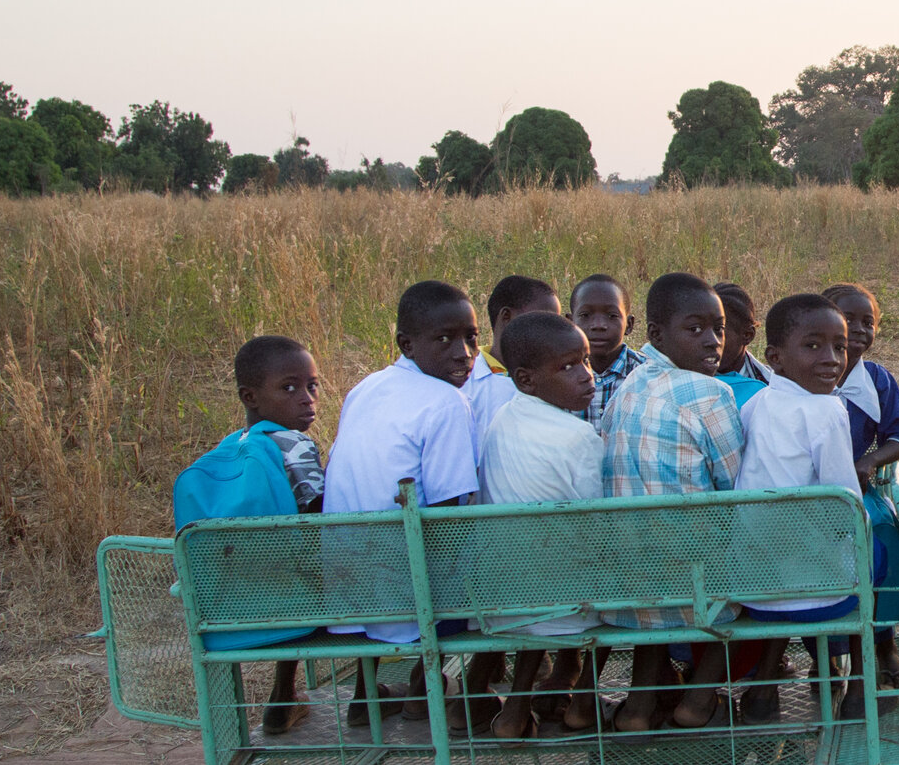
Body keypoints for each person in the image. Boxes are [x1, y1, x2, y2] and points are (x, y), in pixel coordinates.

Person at [322, 280, 482, 730]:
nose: (463, 352)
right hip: (404, 585)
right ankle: (423, 688)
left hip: (347, 584)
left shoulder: (367, 386)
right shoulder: (447, 402)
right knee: (490, 555)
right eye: (444, 339)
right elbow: (450, 513)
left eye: (471, 337)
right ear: (406, 344)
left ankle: (366, 693)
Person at [596, 271, 746, 729]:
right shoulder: (711, 393)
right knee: (762, 564)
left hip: (624, 577)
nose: (713, 341)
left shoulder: (627, 387)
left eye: (719, 329)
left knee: (659, 546)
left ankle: (640, 704)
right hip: (694, 579)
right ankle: (699, 699)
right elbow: (737, 489)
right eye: (695, 328)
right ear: (657, 334)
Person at [172, 335, 326, 735]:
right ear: (250, 396)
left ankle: (285, 696)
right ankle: (367, 696)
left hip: (230, 610)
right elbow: (323, 522)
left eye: (313, 386)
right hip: (296, 608)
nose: (307, 399)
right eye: (289, 388)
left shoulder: (230, 446)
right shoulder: (295, 446)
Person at [731, 292, 868, 721]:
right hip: (816, 592)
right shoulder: (826, 409)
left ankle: (766, 682)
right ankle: (864, 681)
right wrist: (860, 526)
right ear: (775, 356)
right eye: (813, 346)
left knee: (791, 551)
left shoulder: (756, 402)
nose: (831, 358)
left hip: (754, 588)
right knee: (877, 550)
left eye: (839, 347)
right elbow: (844, 504)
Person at [476, 311, 607, 737]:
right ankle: (585, 698)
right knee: (619, 586)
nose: (586, 376)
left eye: (586, 361)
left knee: (542, 569)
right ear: (526, 380)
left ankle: (515, 708)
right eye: (568, 367)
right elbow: (596, 524)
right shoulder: (579, 438)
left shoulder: (501, 421)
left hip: (505, 602)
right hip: (565, 607)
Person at [824, 281, 899, 690]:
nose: (859, 329)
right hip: (812, 492)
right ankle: (827, 653)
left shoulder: (877, 380)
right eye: (848, 319)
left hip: (859, 488)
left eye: (869, 321)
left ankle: (883, 641)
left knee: (885, 537)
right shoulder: (805, 372)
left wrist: (870, 460)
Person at [467, 274, 560, 448]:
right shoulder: (467, 380)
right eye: (542, 321)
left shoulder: (554, 378)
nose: (550, 331)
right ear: (506, 316)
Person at [569, 274, 646, 423]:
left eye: (612, 316)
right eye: (585, 315)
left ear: (629, 325)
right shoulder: (557, 376)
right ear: (570, 323)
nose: (598, 325)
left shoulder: (647, 374)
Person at [713, 281, 773, 410]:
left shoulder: (771, 386)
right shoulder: (685, 382)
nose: (708, 340)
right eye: (698, 330)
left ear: (748, 335)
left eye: (719, 331)